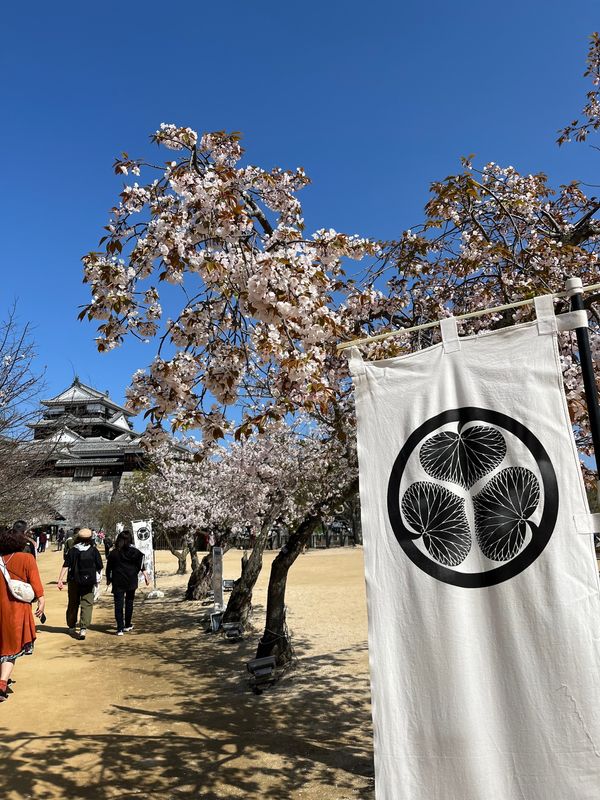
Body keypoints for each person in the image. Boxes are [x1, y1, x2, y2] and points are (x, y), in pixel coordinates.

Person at [0, 529, 45, 701]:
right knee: (11, 649)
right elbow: (35, 582)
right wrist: (41, 600)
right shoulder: (27, 558)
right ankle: (2, 683)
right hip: (16, 610)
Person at [57, 528, 103, 640]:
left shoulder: (73, 550)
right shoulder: (93, 550)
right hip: (88, 582)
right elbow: (99, 566)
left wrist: (60, 579)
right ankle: (83, 628)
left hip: (74, 580)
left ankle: (71, 626)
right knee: (86, 604)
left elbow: (66, 565)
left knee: (73, 603)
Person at [106, 530, 149, 636]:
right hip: (131, 580)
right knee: (129, 602)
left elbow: (109, 568)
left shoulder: (114, 553)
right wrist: (145, 575)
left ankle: (120, 628)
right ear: (130, 540)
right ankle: (127, 624)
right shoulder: (135, 552)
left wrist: (108, 579)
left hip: (118, 580)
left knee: (118, 604)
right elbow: (141, 563)